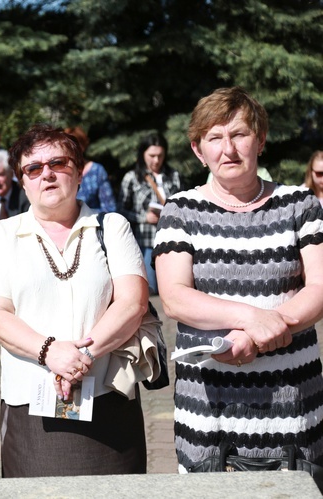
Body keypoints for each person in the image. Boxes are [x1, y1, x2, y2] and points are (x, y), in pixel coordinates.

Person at [153, 87, 323, 475]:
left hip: (292, 401)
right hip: (209, 408)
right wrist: (253, 317)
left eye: (239, 134)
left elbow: (319, 288)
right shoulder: (181, 210)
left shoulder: (300, 204)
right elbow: (176, 298)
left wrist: (254, 335)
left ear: (260, 140)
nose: (227, 149)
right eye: (215, 138)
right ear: (199, 150)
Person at [0, 124, 150, 477]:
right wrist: (51, 352)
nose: (48, 174)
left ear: (80, 171)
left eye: (59, 163)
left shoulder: (112, 226)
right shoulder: (3, 234)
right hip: (33, 405)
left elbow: (133, 304)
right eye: (34, 168)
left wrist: (84, 355)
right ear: (22, 181)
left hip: (107, 397)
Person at [118, 133, 181, 295]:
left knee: (172, 290)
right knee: (151, 290)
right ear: (142, 154)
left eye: (160, 155)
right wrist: (143, 218)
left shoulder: (173, 176)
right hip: (145, 241)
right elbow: (121, 211)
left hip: (171, 241)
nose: (156, 160)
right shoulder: (131, 178)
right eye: (151, 156)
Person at [66, 126, 116, 213]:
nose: (72, 149)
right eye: (68, 146)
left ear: (83, 146)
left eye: (76, 145)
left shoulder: (97, 170)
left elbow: (109, 207)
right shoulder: (60, 172)